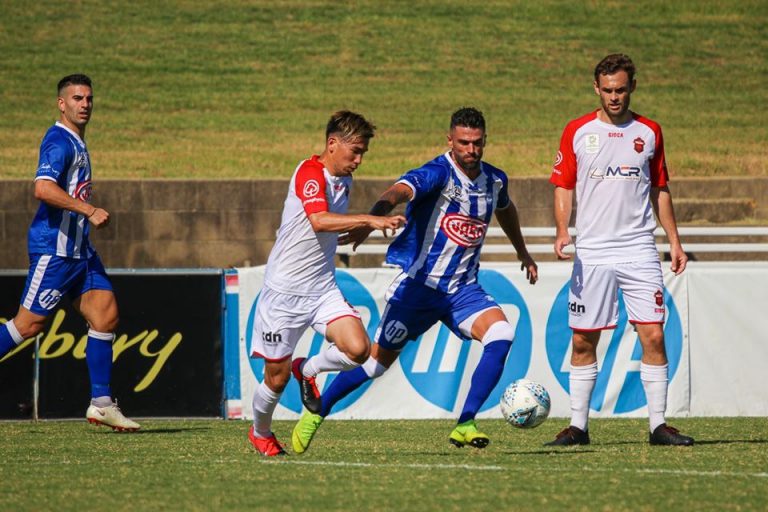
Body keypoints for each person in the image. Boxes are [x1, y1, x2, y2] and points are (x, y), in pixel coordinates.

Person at [291, 107, 539, 454]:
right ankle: (318, 412)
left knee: (502, 334)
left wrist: (522, 253)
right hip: (419, 289)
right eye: (464, 142)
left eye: (477, 143)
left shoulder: (494, 180)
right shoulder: (437, 173)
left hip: (463, 290)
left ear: (485, 142)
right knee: (375, 364)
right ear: (450, 141)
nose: (471, 149)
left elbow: (505, 208)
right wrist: (370, 220)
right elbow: (398, 191)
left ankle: (466, 422)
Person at [546, 54, 693, 447]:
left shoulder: (649, 131)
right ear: (597, 88)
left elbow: (660, 188)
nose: (614, 97)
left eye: (621, 89)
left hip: (639, 248)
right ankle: (578, 426)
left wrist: (674, 241)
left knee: (653, 335)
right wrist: (562, 230)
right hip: (592, 250)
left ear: (632, 87)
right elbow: (563, 184)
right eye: (608, 90)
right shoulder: (577, 130)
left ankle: (658, 425)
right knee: (583, 340)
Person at [247, 111, 406, 456]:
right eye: (355, 151)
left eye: (363, 152)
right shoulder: (309, 172)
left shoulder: (344, 180)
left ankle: (308, 369)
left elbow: (326, 230)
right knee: (275, 379)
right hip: (284, 293)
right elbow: (318, 221)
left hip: (321, 289)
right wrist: (370, 219)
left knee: (359, 349)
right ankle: (260, 432)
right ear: (332, 144)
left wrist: (359, 229)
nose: (359, 160)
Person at [0, 74, 139, 431]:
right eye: (77, 98)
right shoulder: (59, 141)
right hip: (56, 253)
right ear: (62, 104)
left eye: (89, 98)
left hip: (81, 252)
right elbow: (43, 189)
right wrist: (88, 210)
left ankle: (102, 404)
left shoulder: (77, 141)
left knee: (105, 315)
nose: (85, 104)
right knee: (27, 326)